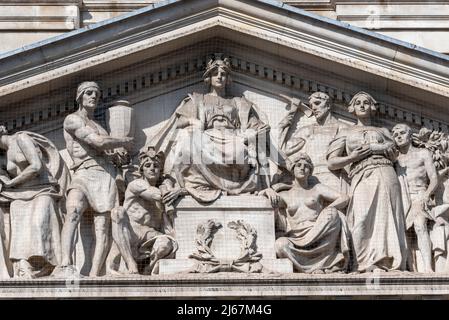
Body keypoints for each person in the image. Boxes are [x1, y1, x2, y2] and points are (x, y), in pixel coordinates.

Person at [147, 54, 270, 203]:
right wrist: (194, 121)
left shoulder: (238, 102)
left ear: (228, 78)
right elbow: (179, 122)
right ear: (209, 78)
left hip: (233, 137)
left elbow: (255, 125)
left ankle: (232, 184)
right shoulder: (198, 99)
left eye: (223, 74)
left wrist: (256, 132)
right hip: (207, 136)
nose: (219, 77)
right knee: (189, 142)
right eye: (215, 74)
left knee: (240, 150)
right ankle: (190, 182)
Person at [53, 81, 133, 277]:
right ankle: (65, 263)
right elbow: (97, 142)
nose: (93, 97)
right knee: (72, 212)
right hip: (83, 173)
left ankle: (96, 273)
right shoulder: (72, 120)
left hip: (105, 176)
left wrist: (117, 155)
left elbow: (106, 149)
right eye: (89, 93)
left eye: (96, 94)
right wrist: (123, 140)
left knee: (103, 227)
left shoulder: (100, 126)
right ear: (79, 97)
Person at [327, 91, 407, 272]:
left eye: (366, 102)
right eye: (358, 103)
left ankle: (386, 261)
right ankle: (363, 263)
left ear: (372, 107)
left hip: (385, 173)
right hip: (361, 175)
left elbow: (394, 152)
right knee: (361, 219)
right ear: (352, 108)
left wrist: (384, 149)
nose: (362, 105)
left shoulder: (384, 131)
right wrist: (352, 157)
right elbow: (332, 162)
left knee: (387, 217)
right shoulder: (346, 132)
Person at [261, 152, 351, 273]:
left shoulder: (317, 188)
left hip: (319, 233)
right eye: (298, 165)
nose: (302, 168)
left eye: (306, 165)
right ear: (292, 170)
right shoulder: (285, 194)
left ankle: (325, 263)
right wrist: (268, 191)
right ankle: (310, 268)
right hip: (297, 238)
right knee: (280, 245)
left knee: (332, 212)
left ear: (310, 170)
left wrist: (324, 211)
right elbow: (262, 198)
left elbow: (344, 198)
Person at [0, 125, 69, 278]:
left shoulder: (20, 139)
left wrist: (11, 183)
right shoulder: (3, 156)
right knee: (18, 223)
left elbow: (36, 166)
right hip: (19, 195)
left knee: (39, 223)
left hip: (42, 190)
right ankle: (24, 266)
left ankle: (48, 265)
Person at [106, 148, 179, 275]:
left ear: (160, 170)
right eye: (148, 165)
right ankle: (130, 262)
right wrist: (170, 186)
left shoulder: (163, 193)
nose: (152, 168)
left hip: (149, 235)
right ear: (142, 170)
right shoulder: (136, 184)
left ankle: (149, 269)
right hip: (130, 233)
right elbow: (155, 194)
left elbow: (168, 227)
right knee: (118, 212)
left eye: (156, 166)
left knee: (166, 243)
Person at [274, 92, 349, 193]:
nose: (313, 108)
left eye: (317, 103)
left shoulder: (343, 128)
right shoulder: (306, 130)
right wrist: (286, 120)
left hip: (332, 178)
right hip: (309, 179)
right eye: (311, 105)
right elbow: (282, 151)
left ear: (328, 105)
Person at [392, 123, 439, 273]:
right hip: (402, 199)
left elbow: (434, 179)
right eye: (395, 134)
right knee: (403, 233)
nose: (398, 136)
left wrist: (426, 195)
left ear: (410, 135)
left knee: (419, 225)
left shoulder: (422, 153)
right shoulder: (395, 159)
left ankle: (428, 267)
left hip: (419, 195)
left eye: (402, 133)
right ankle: (410, 267)